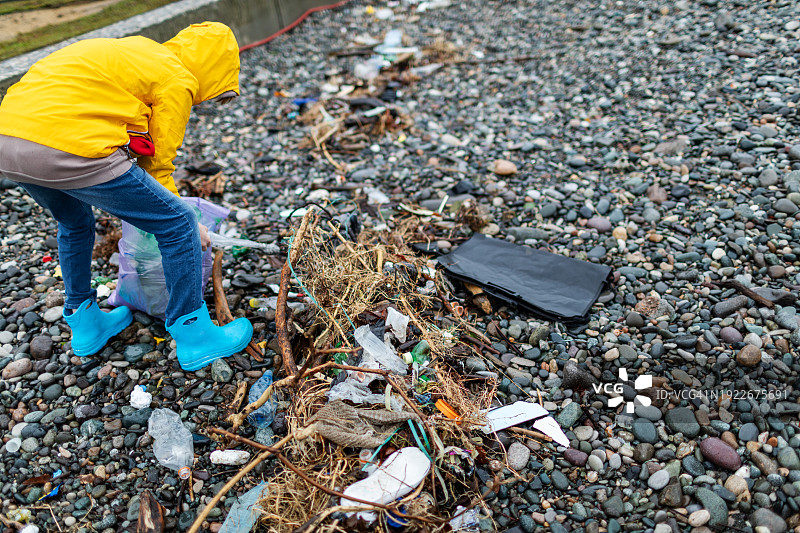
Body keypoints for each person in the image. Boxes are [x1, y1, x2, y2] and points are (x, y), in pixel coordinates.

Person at [0, 22, 253, 371]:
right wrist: (189, 222)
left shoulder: (138, 51)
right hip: (67, 147)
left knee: (74, 222)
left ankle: (86, 323)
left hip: (9, 138)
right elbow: (159, 165)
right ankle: (195, 336)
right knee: (177, 223)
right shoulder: (176, 76)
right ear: (215, 66)